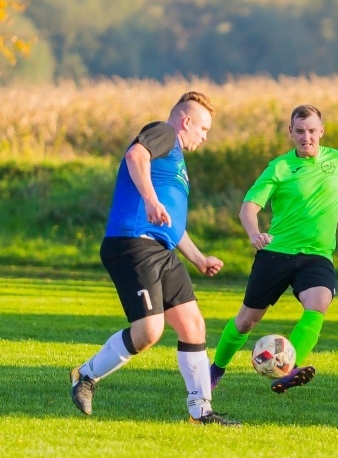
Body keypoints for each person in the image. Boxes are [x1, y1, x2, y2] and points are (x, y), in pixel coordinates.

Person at [69, 92, 239, 426]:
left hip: (162, 250)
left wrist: (199, 258)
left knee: (193, 326)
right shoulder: (164, 133)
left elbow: (171, 222)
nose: (204, 136)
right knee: (149, 331)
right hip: (132, 243)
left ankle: (201, 412)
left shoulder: (176, 161)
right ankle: (85, 376)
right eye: (203, 128)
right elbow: (135, 155)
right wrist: (148, 199)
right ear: (186, 121)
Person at [209, 105, 338, 393]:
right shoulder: (279, 167)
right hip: (277, 254)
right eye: (300, 131)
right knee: (246, 320)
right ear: (291, 132)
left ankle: (289, 369)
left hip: (316, 255)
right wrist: (254, 233)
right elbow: (248, 207)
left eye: (312, 131)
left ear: (321, 131)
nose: (307, 137)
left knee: (319, 303)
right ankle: (215, 369)